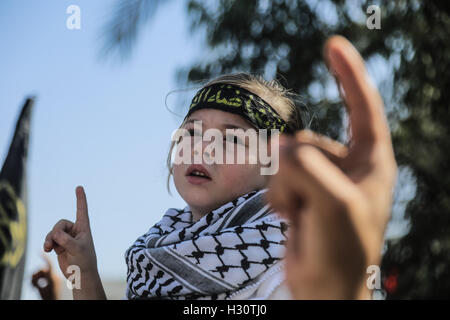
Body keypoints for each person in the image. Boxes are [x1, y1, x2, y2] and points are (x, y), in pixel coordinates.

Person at [43, 35, 396, 300]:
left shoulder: (287, 259)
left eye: (232, 140)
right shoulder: (156, 252)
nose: (203, 148)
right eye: (192, 132)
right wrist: (83, 271)